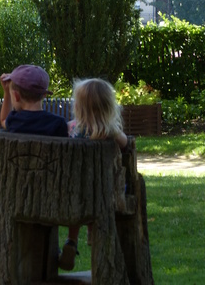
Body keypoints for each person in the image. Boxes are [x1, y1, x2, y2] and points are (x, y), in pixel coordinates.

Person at [58, 77, 128, 271]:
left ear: (78, 107)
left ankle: (71, 241)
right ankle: (92, 233)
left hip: (74, 192)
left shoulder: (70, 129)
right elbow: (126, 144)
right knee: (95, 196)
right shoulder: (111, 132)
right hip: (107, 192)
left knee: (82, 197)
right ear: (109, 107)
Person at [0, 64, 68, 137]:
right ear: (44, 95)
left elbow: (3, 119)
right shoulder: (58, 123)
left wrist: (6, 92)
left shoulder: (14, 120)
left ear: (16, 96)